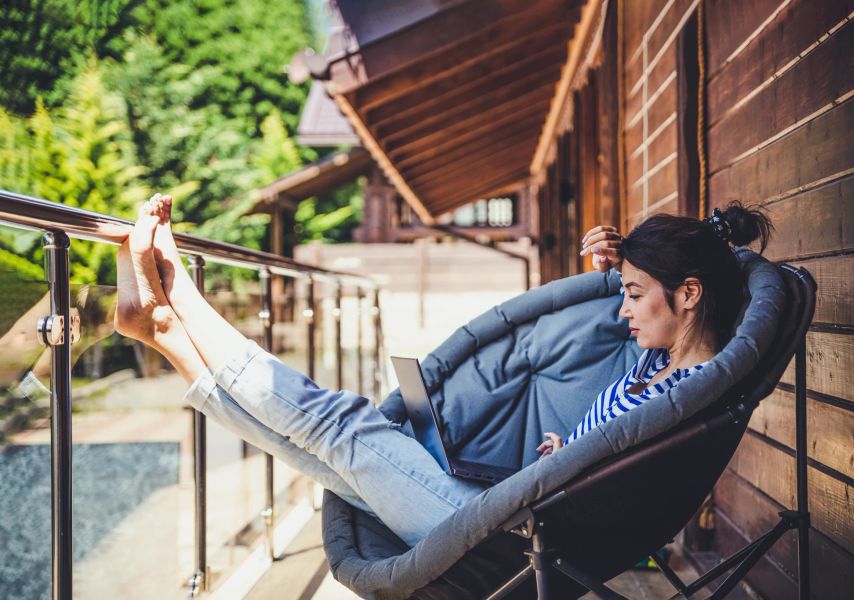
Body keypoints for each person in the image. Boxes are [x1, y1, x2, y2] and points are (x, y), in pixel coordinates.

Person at [114, 195, 772, 546]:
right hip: (514, 502)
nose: (622, 305)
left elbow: (622, 475)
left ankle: (181, 297)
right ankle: (165, 335)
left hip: (512, 531)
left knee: (342, 426)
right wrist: (614, 262)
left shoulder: (691, 392)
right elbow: (611, 429)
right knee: (324, 455)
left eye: (634, 292)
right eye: (623, 289)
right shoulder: (659, 360)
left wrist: (563, 465)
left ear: (688, 295)